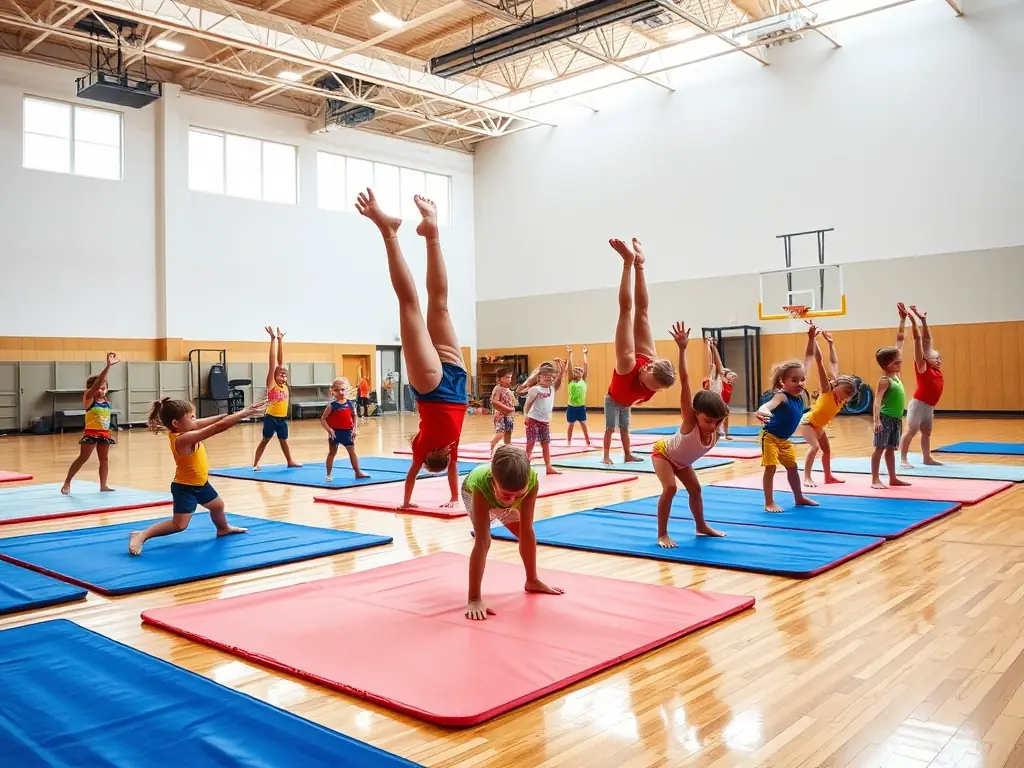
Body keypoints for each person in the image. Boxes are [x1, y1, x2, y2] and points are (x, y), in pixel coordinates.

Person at [356, 188, 466, 510]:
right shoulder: (422, 448)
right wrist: (407, 502)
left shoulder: (451, 446)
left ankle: (431, 232)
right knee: (409, 305)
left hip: (457, 381)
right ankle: (389, 232)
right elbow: (413, 475)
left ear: (442, 456)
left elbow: (450, 472)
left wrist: (454, 496)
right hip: (432, 388)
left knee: (440, 306)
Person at [130, 396, 267, 556]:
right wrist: (243, 413)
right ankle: (142, 535)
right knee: (179, 525)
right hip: (185, 488)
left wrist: (231, 414)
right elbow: (218, 427)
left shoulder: (187, 429)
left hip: (200, 484)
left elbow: (211, 421)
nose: (195, 420)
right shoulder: (183, 439)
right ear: (176, 423)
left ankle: (223, 529)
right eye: (191, 416)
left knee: (217, 506)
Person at [650, 322, 730, 547]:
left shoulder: (714, 427)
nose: (713, 427)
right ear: (695, 415)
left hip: (682, 462)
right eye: (707, 421)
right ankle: (662, 534)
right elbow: (684, 381)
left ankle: (700, 526)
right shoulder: (690, 420)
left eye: (717, 422)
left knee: (696, 490)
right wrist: (682, 349)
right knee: (671, 488)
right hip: (663, 454)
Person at [463, 445, 563, 621]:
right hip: (474, 492)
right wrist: (474, 600)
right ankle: (474, 595)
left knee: (526, 534)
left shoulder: (531, 481)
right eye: (507, 495)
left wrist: (509, 498)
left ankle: (531, 581)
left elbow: (527, 529)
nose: (513, 500)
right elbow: (482, 542)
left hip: (501, 492)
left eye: (518, 495)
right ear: (493, 481)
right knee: (484, 539)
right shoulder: (481, 485)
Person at [603, 237, 677, 465]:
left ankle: (639, 263)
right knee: (631, 311)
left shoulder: (654, 381)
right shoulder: (629, 365)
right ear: (647, 367)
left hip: (624, 403)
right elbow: (630, 309)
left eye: (653, 389)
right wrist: (630, 264)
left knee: (642, 312)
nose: (647, 389)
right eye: (647, 383)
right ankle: (630, 262)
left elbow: (656, 382)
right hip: (620, 386)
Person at [756, 323, 821, 512]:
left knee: (792, 467)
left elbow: (808, 358)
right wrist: (763, 411)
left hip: (784, 440)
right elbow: (768, 405)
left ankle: (799, 497)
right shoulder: (782, 395)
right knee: (771, 467)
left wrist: (811, 339)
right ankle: (769, 501)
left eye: (802, 379)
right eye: (794, 380)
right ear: (782, 382)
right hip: (770, 437)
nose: (800, 383)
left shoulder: (799, 393)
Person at [798, 329, 858, 487]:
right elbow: (819, 361)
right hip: (807, 423)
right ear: (837, 387)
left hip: (817, 426)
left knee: (827, 450)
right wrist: (813, 340)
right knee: (815, 447)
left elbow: (834, 362)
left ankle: (828, 476)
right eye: (845, 393)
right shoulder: (827, 391)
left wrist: (831, 344)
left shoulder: (840, 400)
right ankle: (807, 477)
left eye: (848, 396)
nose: (846, 397)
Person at [60, 352, 120, 495]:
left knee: (104, 459)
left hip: (104, 433)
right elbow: (99, 382)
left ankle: (103, 485)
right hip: (92, 433)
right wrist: (108, 366)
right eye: (99, 387)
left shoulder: (106, 401)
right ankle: (67, 482)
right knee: (83, 458)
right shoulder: (89, 397)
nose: (102, 389)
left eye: (104, 387)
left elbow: (103, 383)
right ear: (92, 388)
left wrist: (104, 383)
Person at [871, 304, 912, 489]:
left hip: (895, 419)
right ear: (887, 365)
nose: (900, 364)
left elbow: (900, 341)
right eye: (897, 363)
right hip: (885, 419)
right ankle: (874, 479)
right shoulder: (885, 380)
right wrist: (876, 420)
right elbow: (877, 400)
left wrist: (902, 320)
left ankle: (893, 477)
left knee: (891, 449)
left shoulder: (894, 375)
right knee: (879, 448)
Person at [899, 305, 944, 467]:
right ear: (927, 358)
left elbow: (928, 341)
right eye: (935, 358)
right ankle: (903, 459)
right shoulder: (923, 367)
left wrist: (924, 320)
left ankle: (927, 457)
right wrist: (913, 321)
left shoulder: (937, 371)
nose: (939, 360)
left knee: (927, 432)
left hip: (929, 406)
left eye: (940, 358)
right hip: (918, 404)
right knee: (911, 431)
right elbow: (922, 342)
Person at [253, 326, 301, 471]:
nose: (283, 377)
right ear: (274, 375)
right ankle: (255, 463)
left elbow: (281, 362)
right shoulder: (272, 384)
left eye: (285, 375)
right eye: (280, 375)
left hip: (282, 419)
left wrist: (281, 341)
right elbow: (273, 362)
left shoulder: (284, 386)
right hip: (271, 418)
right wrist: (273, 340)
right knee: (265, 440)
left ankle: (290, 461)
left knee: (283, 440)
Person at [517, 360, 566, 475]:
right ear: (539, 378)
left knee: (545, 444)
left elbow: (558, 381)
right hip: (533, 419)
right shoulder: (535, 390)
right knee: (530, 443)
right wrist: (526, 416)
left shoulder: (551, 389)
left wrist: (562, 371)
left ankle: (548, 467)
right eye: (545, 377)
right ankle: (525, 467)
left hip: (544, 421)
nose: (548, 379)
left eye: (550, 377)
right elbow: (527, 404)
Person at [321, 378, 368, 483]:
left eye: (343, 389)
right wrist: (329, 430)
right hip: (335, 433)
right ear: (333, 391)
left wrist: (355, 429)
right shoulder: (332, 406)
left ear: (346, 390)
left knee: (352, 452)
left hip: (347, 432)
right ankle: (328, 474)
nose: (341, 392)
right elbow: (323, 419)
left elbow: (354, 416)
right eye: (337, 390)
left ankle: (358, 472)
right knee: (332, 453)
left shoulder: (350, 404)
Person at [705, 337, 738, 439]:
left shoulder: (729, 383)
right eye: (732, 375)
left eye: (734, 377)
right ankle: (713, 432)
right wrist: (713, 346)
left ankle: (725, 434)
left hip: (719, 400)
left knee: (725, 413)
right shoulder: (722, 377)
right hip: (713, 397)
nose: (733, 377)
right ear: (725, 374)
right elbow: (718, 362)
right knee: (712, 365)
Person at [565, 345, 590, 446]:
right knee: (571, 425)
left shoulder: (583, 380)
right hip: (571, 407)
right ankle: (569, 441)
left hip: (581, 407)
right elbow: (570, 367)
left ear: (582, 373)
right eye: (576, 371)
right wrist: (570, 354)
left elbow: (586, 365)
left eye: (579, 370)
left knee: (584, 425)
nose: (577, 372)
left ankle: (588, 441)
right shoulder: (571, 381)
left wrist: (585, 354)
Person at [489, 367, 517, 455]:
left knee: (508, 432)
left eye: (510, 377)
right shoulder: (498, 388)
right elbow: (494, 401)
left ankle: (507, 449)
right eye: (507, 377)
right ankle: (493, 446)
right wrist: (507, 408)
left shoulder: (508, 389)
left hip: (508, 415)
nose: (509, 379)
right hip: (500, 415)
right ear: (499, 379)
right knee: (501, 433)